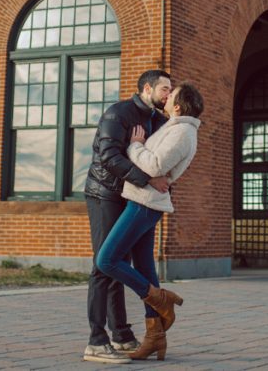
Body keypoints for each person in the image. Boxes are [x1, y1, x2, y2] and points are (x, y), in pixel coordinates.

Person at [94, 82, 204, 362]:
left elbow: (154, 166)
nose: (167, 97)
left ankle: (159, 298)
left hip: (145, 203)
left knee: (106, 260)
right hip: (143, 200)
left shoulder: (182, 132)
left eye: (172, 94)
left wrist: (134, 145)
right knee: (144, 266)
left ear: (178, 106)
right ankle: (155, 336)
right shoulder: (174, 126)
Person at [83, 70, 173, 365]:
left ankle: (121, 334)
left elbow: (163, 157)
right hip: (105, 193)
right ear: (147, 88)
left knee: (118, 263)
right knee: (103, 263)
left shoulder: (158, 120)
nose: (168, 95)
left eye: (171, 91)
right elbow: (109, 155)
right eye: (164, 89)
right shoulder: (118, 113)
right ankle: (97, 341)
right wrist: (147, 180)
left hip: (132, 197)